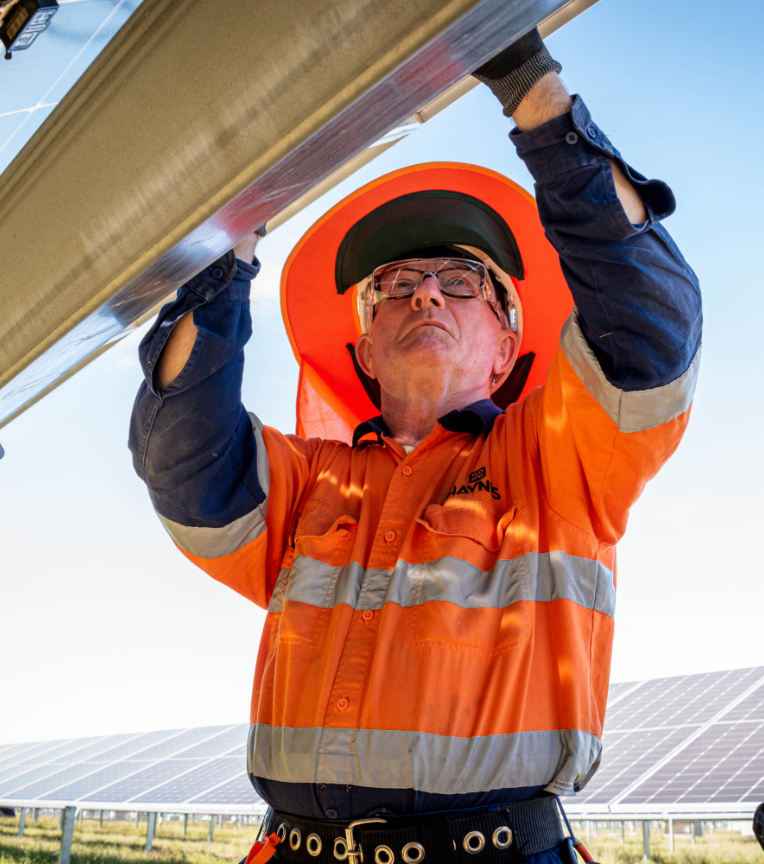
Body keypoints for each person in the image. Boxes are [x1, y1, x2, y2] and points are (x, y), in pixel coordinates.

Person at [129, 29, 701, 864]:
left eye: (461, 280)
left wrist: (529, 86)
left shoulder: (556, 460)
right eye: (395, 286)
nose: (425, 289)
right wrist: (230, 243)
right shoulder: (310, 479)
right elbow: (182, 459)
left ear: (508, 349)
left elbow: (652, 330)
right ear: (363, 352)